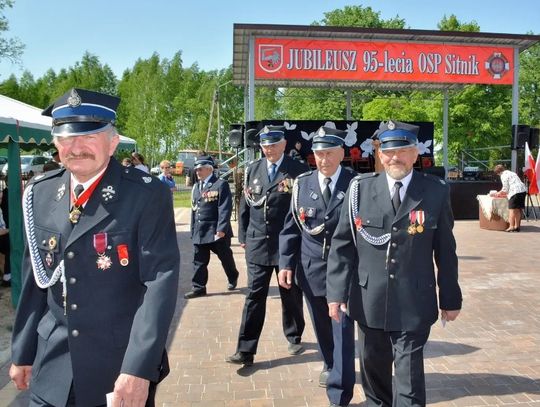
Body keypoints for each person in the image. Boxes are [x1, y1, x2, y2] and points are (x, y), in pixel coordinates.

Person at [10, 88, 180, 407]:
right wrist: (22, 351)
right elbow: (36, 281)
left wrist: (138, 369)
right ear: (56, 143)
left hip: (116, 365)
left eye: (89, 136)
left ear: (113, 141)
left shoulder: (145, 195)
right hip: (52, 362)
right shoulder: (40, 194)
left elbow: (159, 283)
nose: (76, 147)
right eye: (66, 138)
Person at [327, 120, 462, 407]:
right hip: (369, 299)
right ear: (379, 154)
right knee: (374, 375)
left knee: (409, 381)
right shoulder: (360, 190)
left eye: (402, 151)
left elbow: (446, 250)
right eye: (388, 152)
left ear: (416, 154)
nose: (395, 158)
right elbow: (342, 245)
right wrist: (336, 294)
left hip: (415, 299)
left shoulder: (435, 191)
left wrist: (450, 297)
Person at [278, 127, 356, 407]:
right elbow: (291, 228)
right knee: (321, 325)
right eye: (319, 154)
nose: (323, 160)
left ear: (341, 154)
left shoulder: (357, 184)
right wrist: (286, 262)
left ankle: (339, 392)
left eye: (329, 153)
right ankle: (330, 362)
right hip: (310, 269)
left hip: (344, 271)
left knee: (342, 327)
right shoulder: (302, 183)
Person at [226, 125, 308, 366]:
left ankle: (294, 334)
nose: (269, 148)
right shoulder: (254, 169)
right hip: (258, 243)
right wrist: (242, 234)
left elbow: (302, 209)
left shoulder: (298, 171)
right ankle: (246, 349)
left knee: (290, 293)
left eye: (274, 143)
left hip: (286, 245)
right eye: (265, 144)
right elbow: (245, 204)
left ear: (284, 144)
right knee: (254, 295)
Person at [184, 155, 239, 299]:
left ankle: (233, 276)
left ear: (209, 169)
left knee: (225, 257)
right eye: (196, 169)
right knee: (199, 261)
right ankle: (199, 287)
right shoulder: (196, 186)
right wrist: (193, 229)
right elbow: (194, 210)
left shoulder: (220, 184)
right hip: (200, 231)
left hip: (215, 231)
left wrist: (221, 228)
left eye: (200, 169)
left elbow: (224, 208)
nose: (197, 172)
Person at [492, 164, 527, 232]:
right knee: (517, 209)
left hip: (515, 192)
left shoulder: (503, 175)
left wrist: (498, 193)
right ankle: (517, 226)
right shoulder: (512, 173)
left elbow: (505, 189)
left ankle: (511, 226)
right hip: (523, 191)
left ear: (498, 172)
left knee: (512, 210)